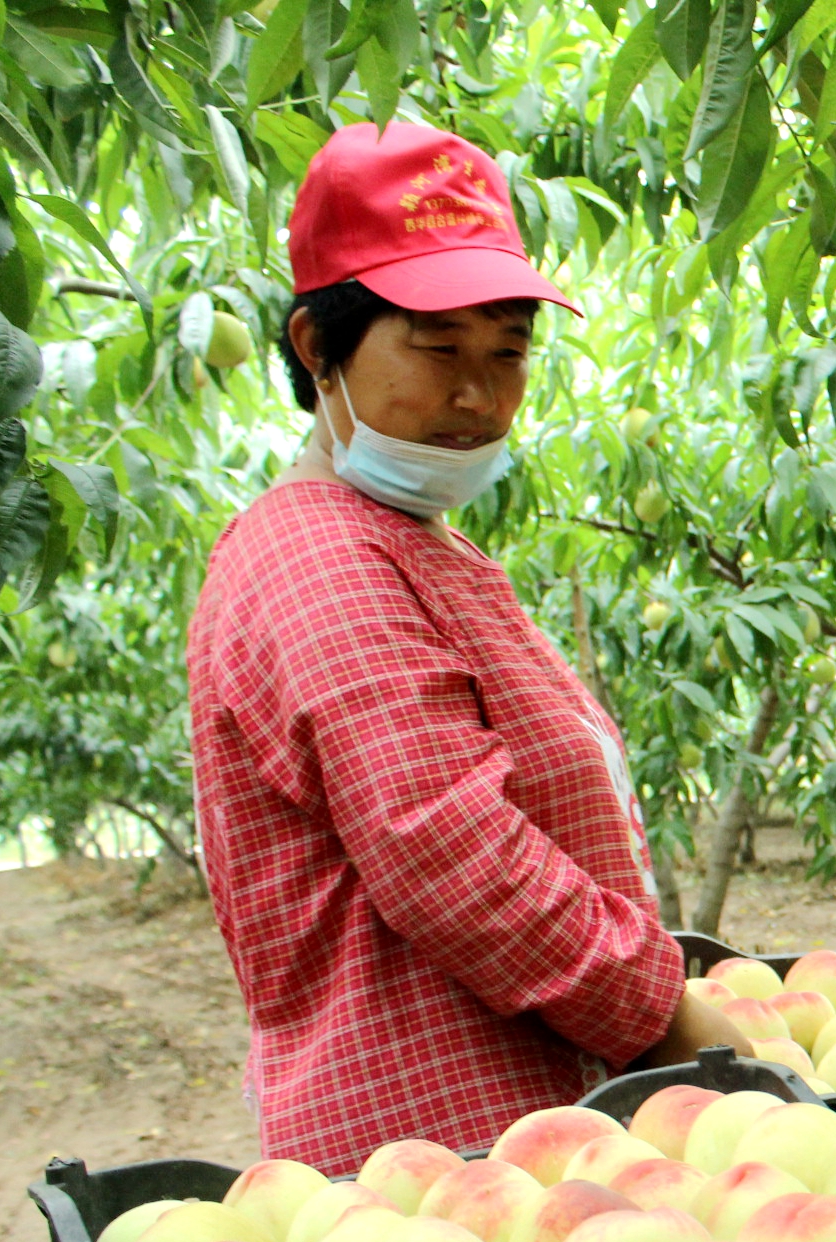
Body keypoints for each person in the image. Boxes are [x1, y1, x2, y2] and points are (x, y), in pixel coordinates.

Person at [187, 124, 741, 1174]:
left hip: (526, 1148)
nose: (479, 396)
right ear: (316, 347)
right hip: (440, 1164)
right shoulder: (319, 557)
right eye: (438, 350)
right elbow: (452, 856)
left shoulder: (411, 543)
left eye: (508, 353)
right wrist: (672, 1021)